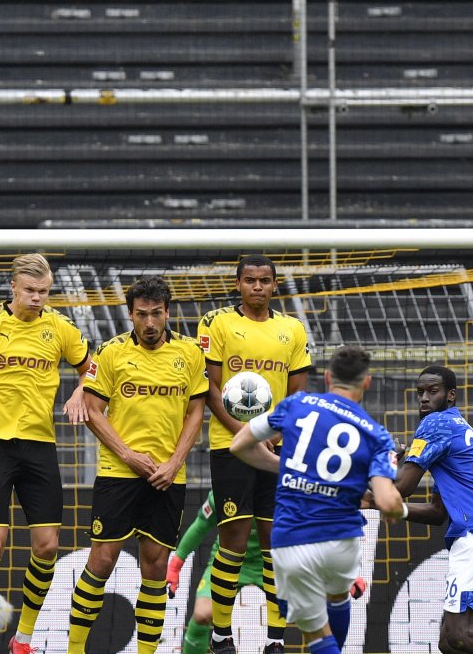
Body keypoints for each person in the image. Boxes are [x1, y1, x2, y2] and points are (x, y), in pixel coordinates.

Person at [0, 254, 92, 654]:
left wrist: (81, 388)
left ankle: (22, 638)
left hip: (40, 447)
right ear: (12, 287)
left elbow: (90, 368)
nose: (37, 298)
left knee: (47, 545)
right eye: (30, 291)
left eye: (44, 292)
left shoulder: (59, 327)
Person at [66, 275, 209, 654]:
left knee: (155, 566)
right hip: (118, 474)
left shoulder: (191, 353)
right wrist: (128, 455)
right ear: (130, 313)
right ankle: (75, 648)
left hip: (166, 476)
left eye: (156, 314)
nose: (149, 323)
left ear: (167, 313)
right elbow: (93, 411)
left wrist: (176, 462)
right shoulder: (111, 353)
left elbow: (196, 411)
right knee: (102, 560)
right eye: (142, 314)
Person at [231, 345, 405, 654]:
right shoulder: (378, 435)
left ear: (326, 377)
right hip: (342, 543)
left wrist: (283, 466)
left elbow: (239, 445)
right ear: (367, 382)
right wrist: (397, 510)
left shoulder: (296, 405)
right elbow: (386, 500)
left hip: (293, 539)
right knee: (337, 597)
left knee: (317, 637)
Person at [198, 254, 313, 654]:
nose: (258, 287)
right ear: (238, 284)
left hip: (277, 449)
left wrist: (276, 433)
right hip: (231, 448)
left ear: (275, 285)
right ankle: (221, 634)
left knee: (274, 542)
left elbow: (298, 393)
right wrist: (248, 434)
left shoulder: (292, 329)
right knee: (233, 538)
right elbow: (211, 389)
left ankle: (275, 640)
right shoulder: (217, 323)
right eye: (250, 280)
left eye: (265, 280)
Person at [389, 365, 473, 654]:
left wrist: (382, 468)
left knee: (461, 633)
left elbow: (401, 487)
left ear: (451, 396)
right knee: (451, 642)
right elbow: (438, 512)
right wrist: (397, 510)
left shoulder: (435, 424)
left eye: (432, 391)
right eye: (420, 393)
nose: (424, 398)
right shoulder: (458, 429)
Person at [165, 491, 370, 654]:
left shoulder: (287, 493)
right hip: (229, 563)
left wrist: (345, 575)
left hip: (275, 564)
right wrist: (175, 565)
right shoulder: (227, 489)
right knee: (202, 614)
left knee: (310, 618)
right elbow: (200, 526)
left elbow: (315, 529)